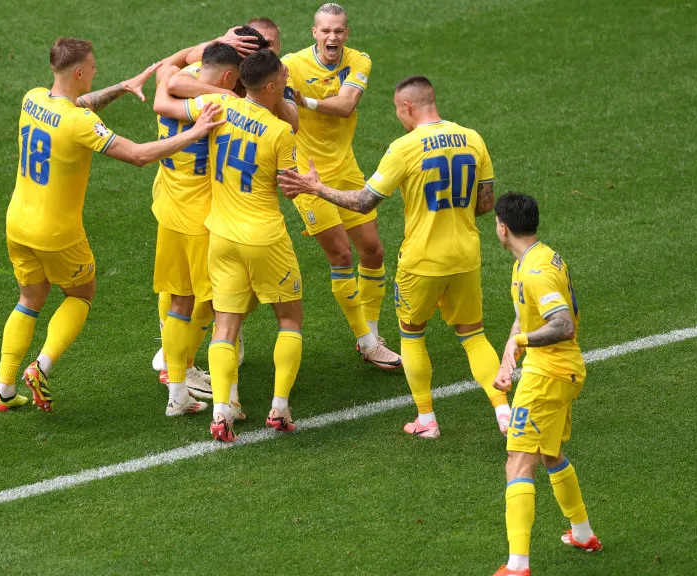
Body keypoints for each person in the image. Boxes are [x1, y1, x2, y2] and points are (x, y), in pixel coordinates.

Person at [0, 37, 223, 413]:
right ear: (79, 72)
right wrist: (194, 133)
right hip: (57, 233)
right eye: (93, 67)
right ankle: (42, 366)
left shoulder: (32, 98)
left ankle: (3, 389)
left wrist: (122, 87)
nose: (96, 70)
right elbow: (138, 155)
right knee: (80, 295)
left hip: (17, 225)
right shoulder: (79, 123)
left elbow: (75, 105)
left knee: (29, 300)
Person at [278, 75, 511, 437]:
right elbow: (484, 204)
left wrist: (317, 187)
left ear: (407, 106)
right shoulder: (472, 138)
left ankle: (427, 420)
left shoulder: (404, 148)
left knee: (412, 336)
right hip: (466, 256)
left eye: (397, 110)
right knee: (474, 336)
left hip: (421, 261)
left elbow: (364, 202)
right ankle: (503, 412)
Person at [154, 50, 302, 442]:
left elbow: (167, 96)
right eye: (283, 77)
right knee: (289, 319)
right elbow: (291, 188)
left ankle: (223, 411)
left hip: (220, 235)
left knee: (224, 324)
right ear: (270, 86)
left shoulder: (218, 105)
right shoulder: (279, 132)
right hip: (264, 238)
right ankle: (279, 408)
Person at [281, 3, 400, 369]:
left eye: (338, 31)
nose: (332, 37)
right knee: (342, 256)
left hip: (345, 168)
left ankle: (373, 333)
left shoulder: (359, 60)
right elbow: (282, 110)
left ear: (346, 33)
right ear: (314, 33)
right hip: (307, 174)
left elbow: (347, 105)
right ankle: (367, 342)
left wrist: (304, 100)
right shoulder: (291, 65)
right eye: (326, 31)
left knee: (373, 251)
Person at [490, 193, 602, 576]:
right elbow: (527, 317)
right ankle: (583, 533)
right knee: (549, 453)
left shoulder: (535, 271)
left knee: (518, 460)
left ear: (503, 228)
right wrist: (509, 355)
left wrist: (521, 342)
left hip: (548, 376)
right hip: (559, 371)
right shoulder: (534, 258)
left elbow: (562, 324)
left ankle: (517, 566)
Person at [149, 42, 244, 416]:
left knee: (178, 303)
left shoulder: (176, 82)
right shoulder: (216, 105)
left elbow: (166, 72)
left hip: (169, 211)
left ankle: (177, 394)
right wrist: (226, 95)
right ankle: (227, 400)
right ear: (227, 76)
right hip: (202, 221)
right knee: (225, 309)